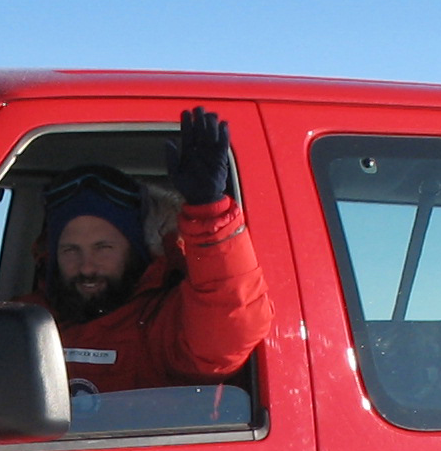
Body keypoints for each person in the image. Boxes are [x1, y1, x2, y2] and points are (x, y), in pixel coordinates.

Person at [32, 107, 273, 396]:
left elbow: (231, 327)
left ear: (135, 248)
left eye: (103, 248)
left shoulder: (167, 321)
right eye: (70, 249)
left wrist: (210, 214)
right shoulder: (25, 322)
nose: (86, 267)